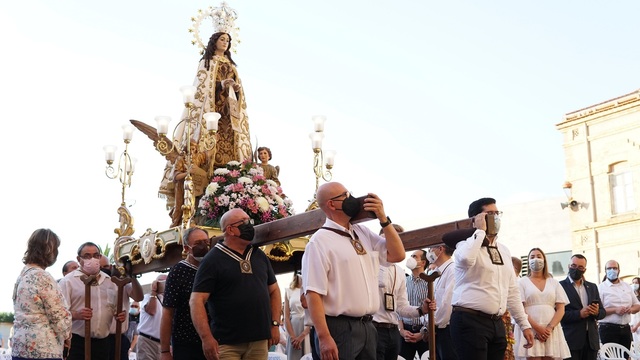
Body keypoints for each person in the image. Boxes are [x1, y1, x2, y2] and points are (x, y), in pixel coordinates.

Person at [301, 182, 406, 360]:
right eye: (345, 196)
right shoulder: (319, 242)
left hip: (368, 326)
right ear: (331, 204)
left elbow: (397, 255)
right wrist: (324, 337)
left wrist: (383, 219)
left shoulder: (361, 232)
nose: (351, 198)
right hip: (338, 328)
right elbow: (313, 294)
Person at [190, 208, 281, 359]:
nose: (249, 226)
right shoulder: (213, 260)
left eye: (249, 221)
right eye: (244, 222)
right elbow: (197, 300)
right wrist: (206, 338)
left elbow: (274, 291)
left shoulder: (259, 255)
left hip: (259, 341)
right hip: (227, 344)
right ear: (230, 230)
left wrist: (275, 324)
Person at [449, 197, 533, 360]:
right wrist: (480, 231)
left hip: (496, 322)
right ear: (476, 218)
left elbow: (512, 291)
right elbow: (466, 259)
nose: (495, 218)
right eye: (490, 214)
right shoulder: (465, 245)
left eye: (497, 213)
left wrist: (524, 324)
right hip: (469, 320)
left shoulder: (503, 250)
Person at [11, 228, 72, 359]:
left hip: (20, 348)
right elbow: (59, 316)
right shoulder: (42, 277)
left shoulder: (23, 275)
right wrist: (67, 336)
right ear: (49, 250)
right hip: (43, 349)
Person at [59, 242, 126, 360]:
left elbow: (116, 308)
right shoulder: (68, 282)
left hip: (103, 343)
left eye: (96, 255)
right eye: (87, 256)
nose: (92, 259)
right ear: (79, 259)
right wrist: (76, 314)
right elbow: (59, 314)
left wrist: (120, 315)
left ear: (100, 257)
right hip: (77, 342)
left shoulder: (110, 282)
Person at [374, 224, 432, 360]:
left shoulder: (399, 272)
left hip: (393, 331)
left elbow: (401, 306)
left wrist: (420, 310)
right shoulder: (370, 264)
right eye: (390, 238)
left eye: (399, 240)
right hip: (374, 328)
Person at [160, 227, 211, 360]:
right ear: (187, 248)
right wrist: (164, 351)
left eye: (206, 242)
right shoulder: (178, 272)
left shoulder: (213, 268)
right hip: (186, 343)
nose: (203, 246)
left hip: (214, 340)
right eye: (198, 243)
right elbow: (167, 313)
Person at [514, 248, 571, 360]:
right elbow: (520, 308)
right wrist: (538, 328)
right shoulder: (521, 282)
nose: (536, 259)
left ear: (544, 260)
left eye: (539, 256)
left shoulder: (554, 283)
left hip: (551, 330)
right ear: (528, 262)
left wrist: (549, 328)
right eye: (532, 257)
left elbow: (560, 309)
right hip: (530, 328)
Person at [559, 254, 605, 360]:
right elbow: (558, 314)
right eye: (573, 266)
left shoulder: (592, 287)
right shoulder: (560, 286)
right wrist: (579, 314)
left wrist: (597, 312)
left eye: (580, 267)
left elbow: (603, 312)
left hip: (591, 342)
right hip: (571, 340)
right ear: (568, 266)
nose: (576, 269)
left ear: (584, 269)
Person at [105, 255, 144, 360]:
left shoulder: (123, 284)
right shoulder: (96, 284)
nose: (107, 269)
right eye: (104, 267)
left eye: (108, 266)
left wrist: (132, 275)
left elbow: (139, 297)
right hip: (101, 339)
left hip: (120, 338)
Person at [597, 259, 640, 351]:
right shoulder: (601, 288)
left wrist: (631, 309)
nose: (612, 270)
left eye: (614, 268)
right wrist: (614, 310)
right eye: (609, 268)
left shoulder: (627, 286)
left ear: (619, 271)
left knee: (625, 356)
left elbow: (637, 305)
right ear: (605, 271)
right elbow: (598, 311)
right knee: (612, 357)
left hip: (625, 328)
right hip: (608, 328)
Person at [426, 243, 458, 360]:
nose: (428, 253)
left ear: (440, 249)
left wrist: (433, 323)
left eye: (430, 249)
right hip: (439, 328)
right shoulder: (438, 271)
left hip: (447, 328)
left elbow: (447, 303)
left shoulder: (452, 269)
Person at [399, 249, 430, 360]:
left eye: (415, 256)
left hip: (425, 333)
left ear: (423, 263)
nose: (411, 258)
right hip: (405, 333)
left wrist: (422, 334)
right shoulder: (403, 281)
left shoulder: (430, 283)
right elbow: (399, 307)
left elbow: (433, 309)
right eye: (411, 255)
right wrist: (402, 330)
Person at [170, 140, 209, 228]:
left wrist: (214, 140)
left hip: (195, 186)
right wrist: (188, 173)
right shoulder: (181, 159)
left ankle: (191, 222)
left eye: (193, 149)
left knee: (194, 205)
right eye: (189, 149)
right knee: (179, 207)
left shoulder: (197, 157)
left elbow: (208, 154)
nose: (191, 151)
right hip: (181, 187)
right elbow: (176, 176)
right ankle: (176, 225)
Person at [137, 274, 167, 360]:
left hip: (162, 344)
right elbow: (151, 311)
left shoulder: (166, 300)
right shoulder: (148, 297)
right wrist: (154, 292)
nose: (163, 284)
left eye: (165, 282)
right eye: (160, 282)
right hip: (147, 341)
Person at [284, 271, 309, 360]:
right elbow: (286, 316)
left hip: (308, 328)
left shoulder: (309, 290)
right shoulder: (289, 291)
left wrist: (302, 335)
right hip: (293, 328)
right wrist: (293, 337)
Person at [630, 277, 640, 346]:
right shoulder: (631, 297)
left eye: (636, 283)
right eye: (633, 283)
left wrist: (637, 326)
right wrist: (631, 326)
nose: (634, 284)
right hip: (633, 325)